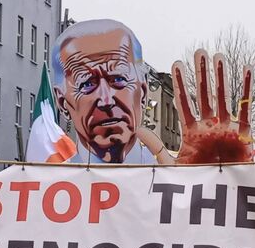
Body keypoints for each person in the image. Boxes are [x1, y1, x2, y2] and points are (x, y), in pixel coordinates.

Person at [52, 19, 172, 164]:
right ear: (62, 102)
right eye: (87, 83)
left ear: (143, 91)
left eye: (118, 79)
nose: (106, 100)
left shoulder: (171, 176)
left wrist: (194, 174)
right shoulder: (49, 184)